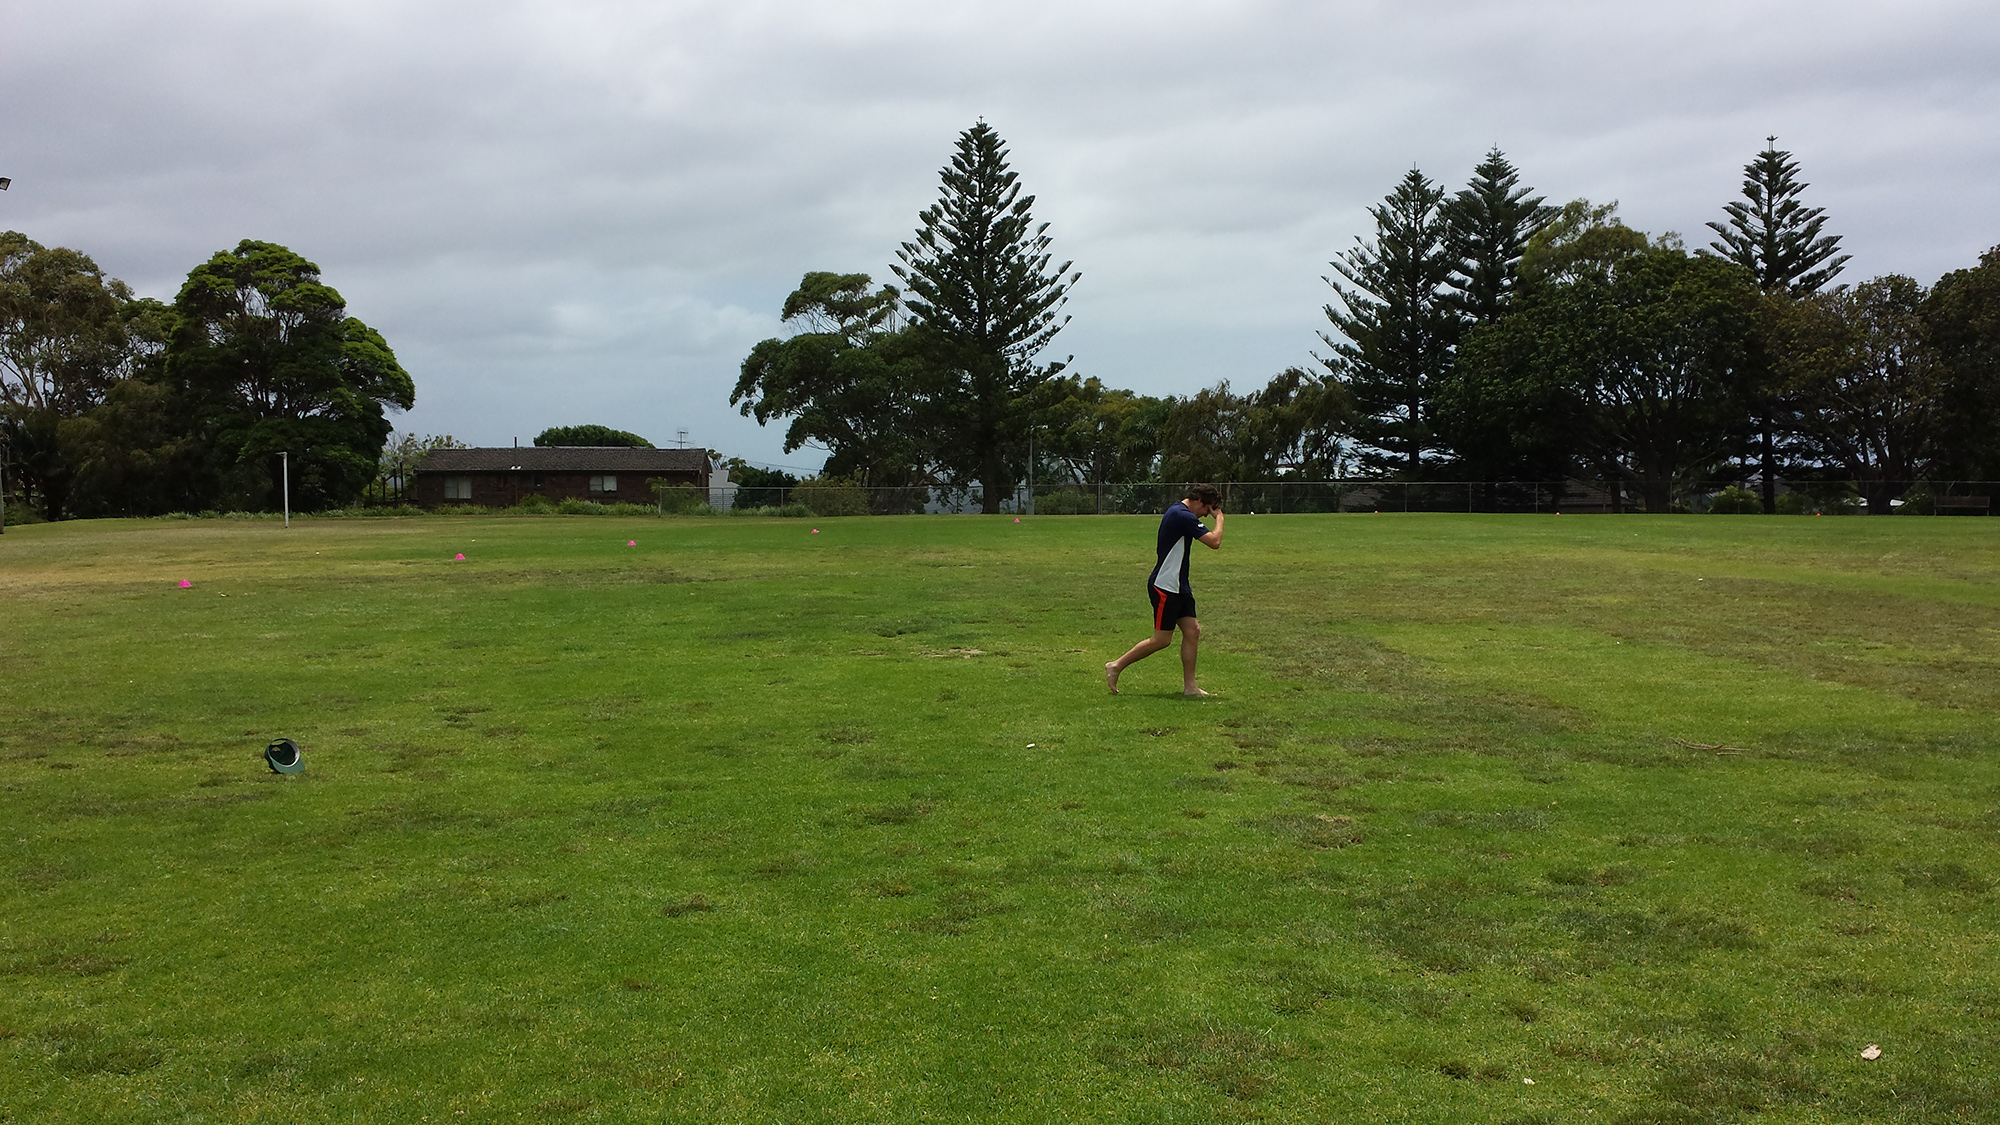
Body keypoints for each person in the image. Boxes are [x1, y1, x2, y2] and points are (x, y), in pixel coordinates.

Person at [1107, 484, 1224, 696]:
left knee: (1192, 631)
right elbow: (1214, 542)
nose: (1207, 514)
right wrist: (1220, 519)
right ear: (1199, 501)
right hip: (1165, 586)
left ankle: (1190, 687)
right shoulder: (1182, 515)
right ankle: (1116, 666)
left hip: (1179, 585)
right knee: (1162, 639)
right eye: (1208, 509)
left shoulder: (1181, 512)